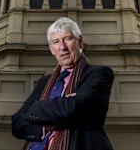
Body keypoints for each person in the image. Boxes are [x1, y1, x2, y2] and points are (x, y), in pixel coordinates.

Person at [12, 17, 114, 150]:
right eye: (56, 42)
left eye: (67, 39)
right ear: (51, 49)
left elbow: (74, 107)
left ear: (80, 42)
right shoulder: (45, 82)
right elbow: (17, 122)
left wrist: (36, 107)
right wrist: (45, 126)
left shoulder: (99, 74)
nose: (62, 47)